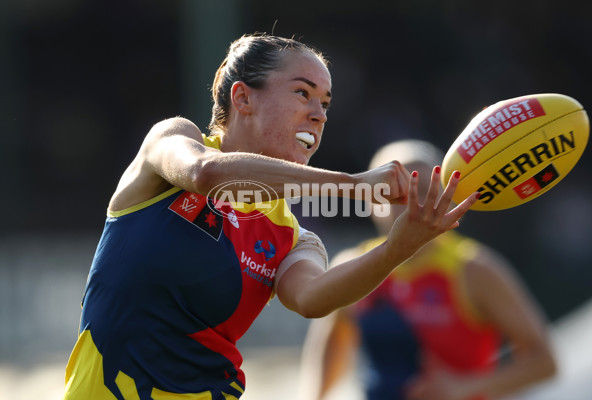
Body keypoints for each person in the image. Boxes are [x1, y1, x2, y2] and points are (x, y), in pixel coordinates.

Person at [62, 34, 479, 400]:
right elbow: (205, 174)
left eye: (326, 103)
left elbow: (313, 298)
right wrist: (353, 184)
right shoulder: (173, 141)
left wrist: (397, 249)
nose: (319, 115)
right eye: (303, 93)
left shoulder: (294, 237)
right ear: (242, 98)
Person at [299, 140, 557, 400]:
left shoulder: (475, 269)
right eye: (391, 189)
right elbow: (331, 347)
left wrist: (465, 386)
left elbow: (544, 361)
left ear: (444, 198)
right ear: (370, 202)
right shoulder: (351, 263)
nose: (408, 201)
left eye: (422, 189)